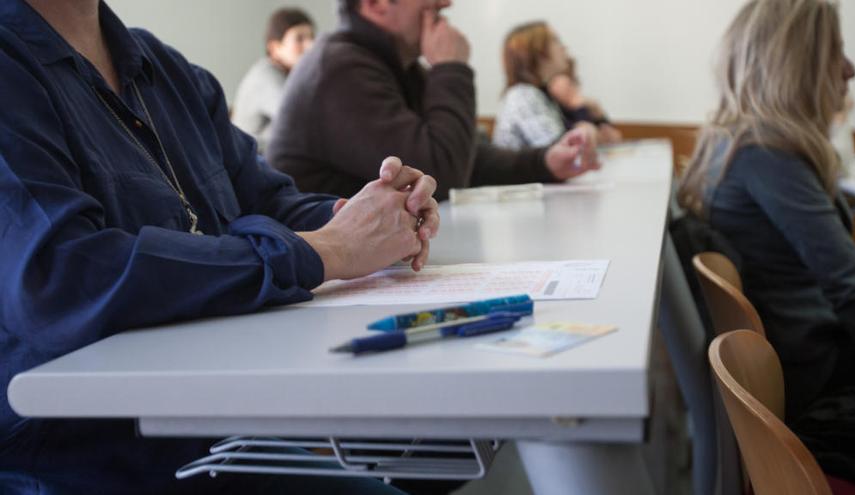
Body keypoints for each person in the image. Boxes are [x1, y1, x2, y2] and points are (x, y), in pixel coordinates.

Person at [0, 0, 440, 493]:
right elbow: (62, 278)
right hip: (87, 455)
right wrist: (325, 250)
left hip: (218, 413)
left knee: (445, 437)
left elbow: (268, 200)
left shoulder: (163, 68)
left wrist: (372, 219)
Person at [678, 0, 855, 484]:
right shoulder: (768, 155)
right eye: (835, 52)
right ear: (795, 63)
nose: (849, 69)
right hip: (821, 373)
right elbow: (852, 291)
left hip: (799, 355)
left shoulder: (730, 143)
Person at [267, 0, 600, 201]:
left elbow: (467, 158)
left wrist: (544, 163)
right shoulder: (338, 69)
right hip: (326, 282)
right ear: (377, 4)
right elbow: (441, 173)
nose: (446, 3)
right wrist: (450, 67)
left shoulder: (387, 61)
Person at [493, 22, 621, 151]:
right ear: (538, 52)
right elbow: (560, 152)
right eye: (556, 40)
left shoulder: (543, 93)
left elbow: (588, 135)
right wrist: (577, 105)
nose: (564, 47)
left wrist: (599, 120)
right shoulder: (522, 95)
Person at [232, 7, 315, 153]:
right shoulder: (265, 76)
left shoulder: (290, 75)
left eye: (312, 37)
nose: (311, 46)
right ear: (275, 48)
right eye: (299, 39)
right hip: (252, 164)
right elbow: (300, 119)